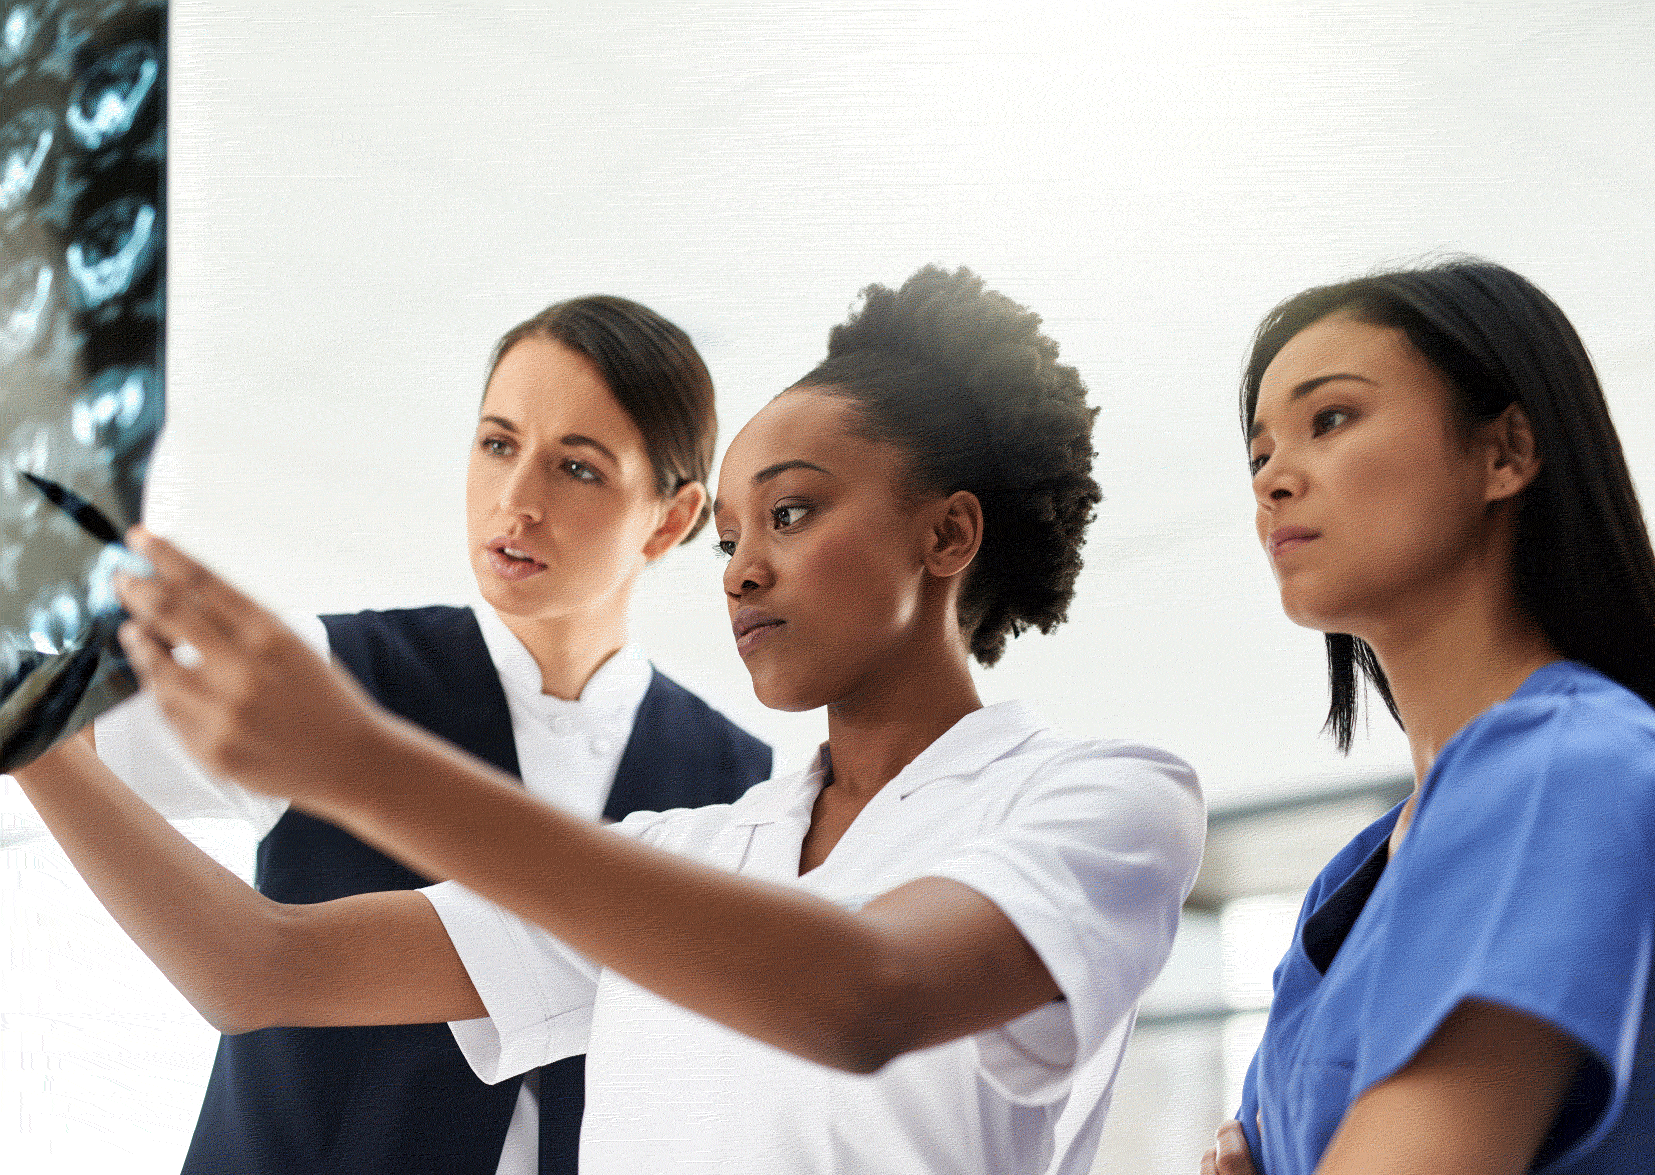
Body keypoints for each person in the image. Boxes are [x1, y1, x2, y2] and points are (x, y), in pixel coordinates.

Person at [15, 264, 1206, 1174]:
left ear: (947, 534)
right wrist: (29, 729)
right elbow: (257, 965)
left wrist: (361, 761)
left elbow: (865, 993)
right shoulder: (682, 849)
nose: (739, 570)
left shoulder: (1107, 798)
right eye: (732, 537)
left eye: (789, 515)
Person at [82, 295, 772, 1175]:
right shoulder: (326, 674)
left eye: (578, 468)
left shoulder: (738, 784)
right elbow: (67, 737)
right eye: (497, 444)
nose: (516, 500)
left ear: (672, 519)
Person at [1200, 259, 1655, 1175]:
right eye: (1259, 454)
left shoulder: (1570, 763)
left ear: (1504, 453)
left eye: (1329, 418)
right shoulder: (1345, 885)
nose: (1273, 478)